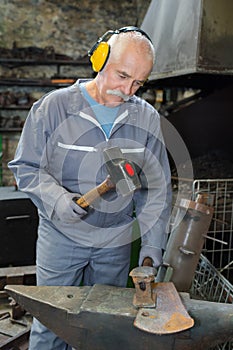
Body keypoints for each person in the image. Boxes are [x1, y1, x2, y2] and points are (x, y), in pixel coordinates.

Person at [8, 26, 172, 350]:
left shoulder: (147, 118)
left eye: (138, 83)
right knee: (51, 324)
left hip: (115, 238)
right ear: (100, 59)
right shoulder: (53, 108)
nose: (127, 89)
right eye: (122, 75)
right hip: (61, 235)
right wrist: (56, 198)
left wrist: (153, 250)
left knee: (104, 327)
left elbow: (155, 189)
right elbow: (26, 168)